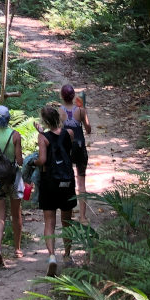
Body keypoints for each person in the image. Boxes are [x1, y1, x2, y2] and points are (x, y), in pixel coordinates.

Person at [36, 103, 77, 276]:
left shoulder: (43, 138)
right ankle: (67, 255)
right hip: (66, 181)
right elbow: (64, 149)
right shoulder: (70, 133)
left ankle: (52, 256)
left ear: (44, 121)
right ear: (58, 118)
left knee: (49, 221)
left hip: (49, 182)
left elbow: (43, 160)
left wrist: (33, 162)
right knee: (66, 220)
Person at [0, 104, 23, 263]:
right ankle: (17, 249)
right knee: (16, 214)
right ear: (9, 119)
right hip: (13, 178)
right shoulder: (15, 135)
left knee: (0, 214)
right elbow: (19, 160)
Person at [59, 83, 91, 223]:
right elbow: (88, 129)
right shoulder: (80, 110)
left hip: (65, 149)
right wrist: (84, 112)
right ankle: (83, 217)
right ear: (73, 96)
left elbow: (57, 132)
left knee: (66, 181)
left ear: (62, 96)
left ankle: (68, 213)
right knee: (81, 182)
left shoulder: (59, 112)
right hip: (79, 147)